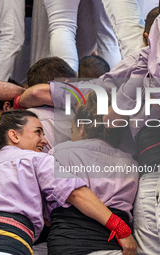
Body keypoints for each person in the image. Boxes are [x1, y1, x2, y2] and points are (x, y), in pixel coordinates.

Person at [0, 109, 137, 255]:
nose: (45, 140)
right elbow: (75, 193)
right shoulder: (37, 160)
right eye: (38, 132)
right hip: (6, 244)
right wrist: (120, 227)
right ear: (14, 136)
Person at [47, 90, 138, 255]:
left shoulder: (60, 153)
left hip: (69, 244)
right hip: (116, 248)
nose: (71, 135)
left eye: (72, 130)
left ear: (82, 127)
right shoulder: (130, 163)